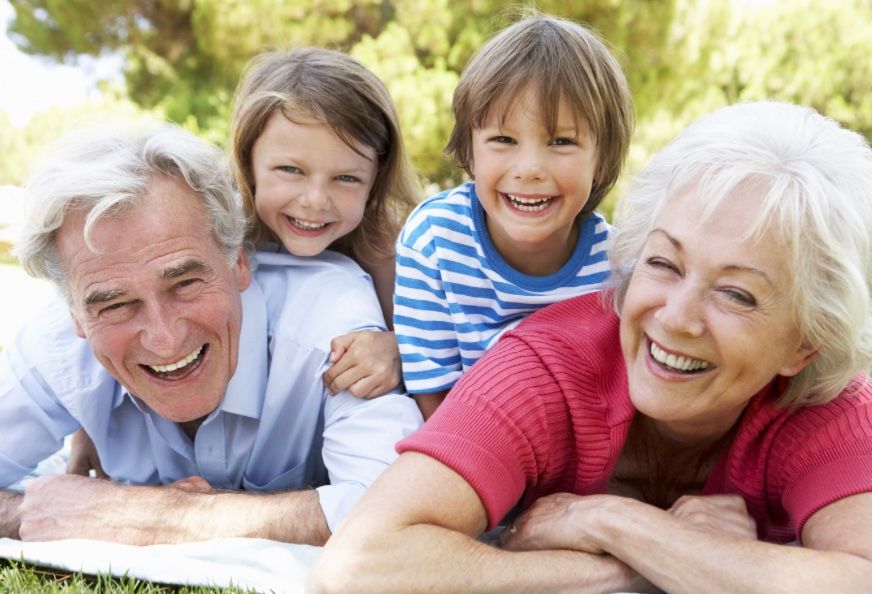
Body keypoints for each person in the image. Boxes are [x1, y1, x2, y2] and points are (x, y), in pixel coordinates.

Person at [310, 101, 872, 593]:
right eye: (662, 263)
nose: (675, 319)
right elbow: (358, 565)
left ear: (805, 344)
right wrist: (634, 562)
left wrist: (611, 523)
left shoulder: (831, 406)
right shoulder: (543, 369)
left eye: (736, 294)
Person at [0, 122, 422, 545]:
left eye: (185, 284)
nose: (164, 339)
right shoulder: (56, 347)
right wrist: (31, 514)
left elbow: (398, 513)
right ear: (74, 312)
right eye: (115, 305)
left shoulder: (332, 324)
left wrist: (143, 516)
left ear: (239, 262)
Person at [393, 13, 634, 418]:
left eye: (561, 141)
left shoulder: (616, 268)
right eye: (503, 139)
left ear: (603, 160)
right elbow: (431, 396)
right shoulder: (434, 240)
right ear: (470, 150)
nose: (529, 169)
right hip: (459, 440)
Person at [231, 47, 420, 399]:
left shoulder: (385, 245)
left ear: (376, 180)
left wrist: (396, 348)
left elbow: (436, 342)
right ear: (247, 163)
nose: (316, 200)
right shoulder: (216, 228)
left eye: (346, 178)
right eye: (290, 170)